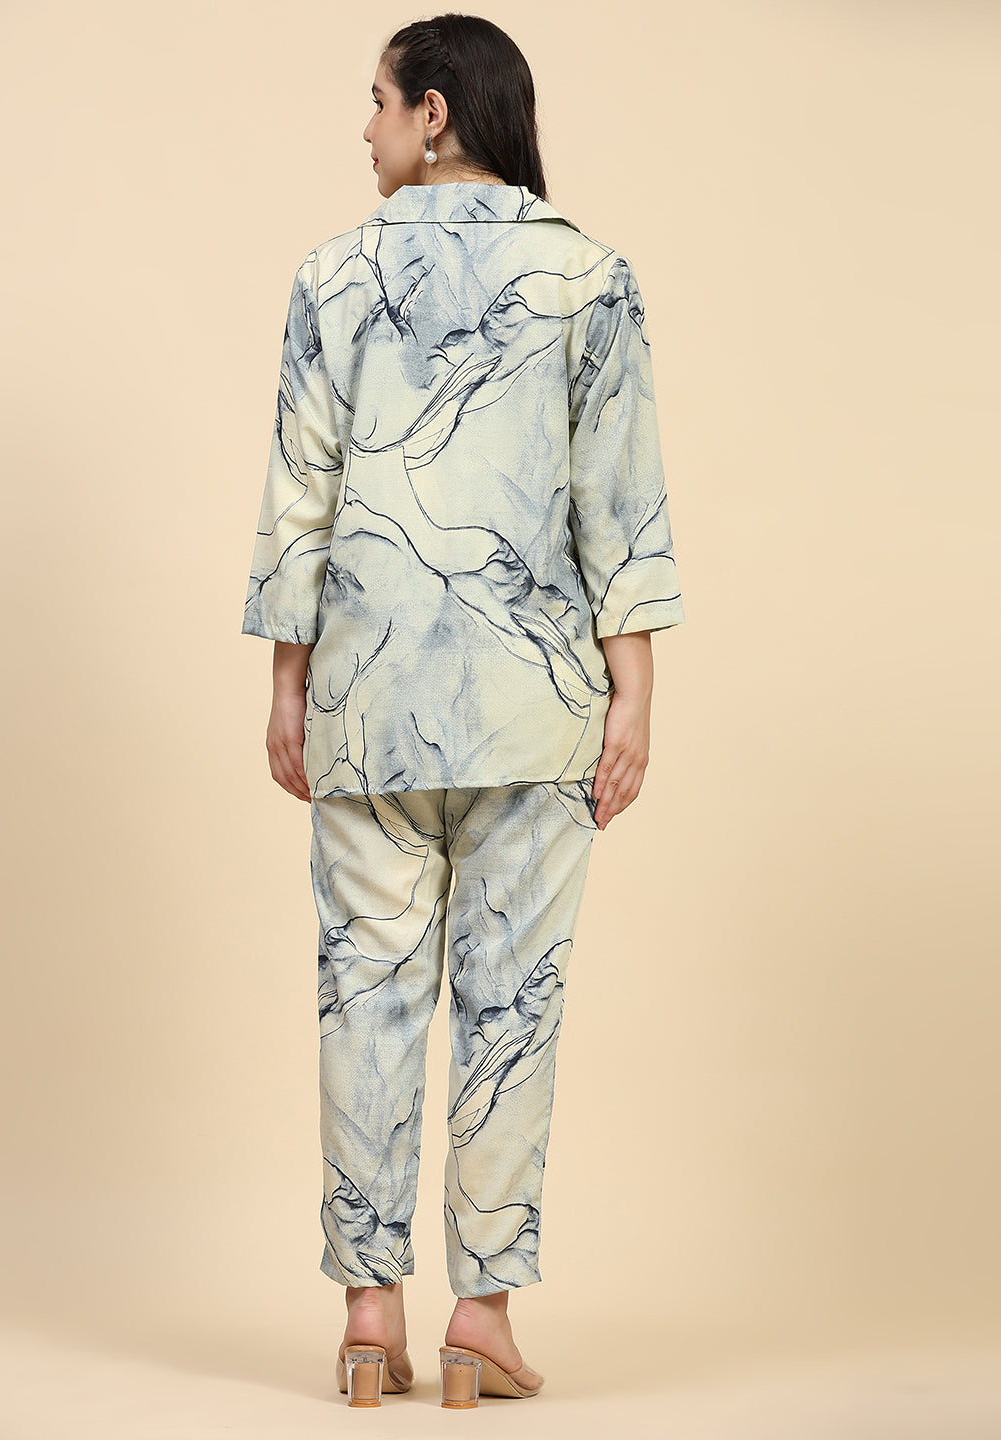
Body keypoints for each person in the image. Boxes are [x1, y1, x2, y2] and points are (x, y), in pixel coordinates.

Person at [241, 13, 685, 1410]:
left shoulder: (330, 276)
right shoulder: (591, 276)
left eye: (376, 102)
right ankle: (480, 1318)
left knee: (364, 999)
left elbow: (301, 492)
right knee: (513, 1010)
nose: (364, 128)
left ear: (434, 111)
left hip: (368, 700)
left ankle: (368, 1314)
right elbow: (619, 499)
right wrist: (634, 690)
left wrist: (287, 680)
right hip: (538, 703)